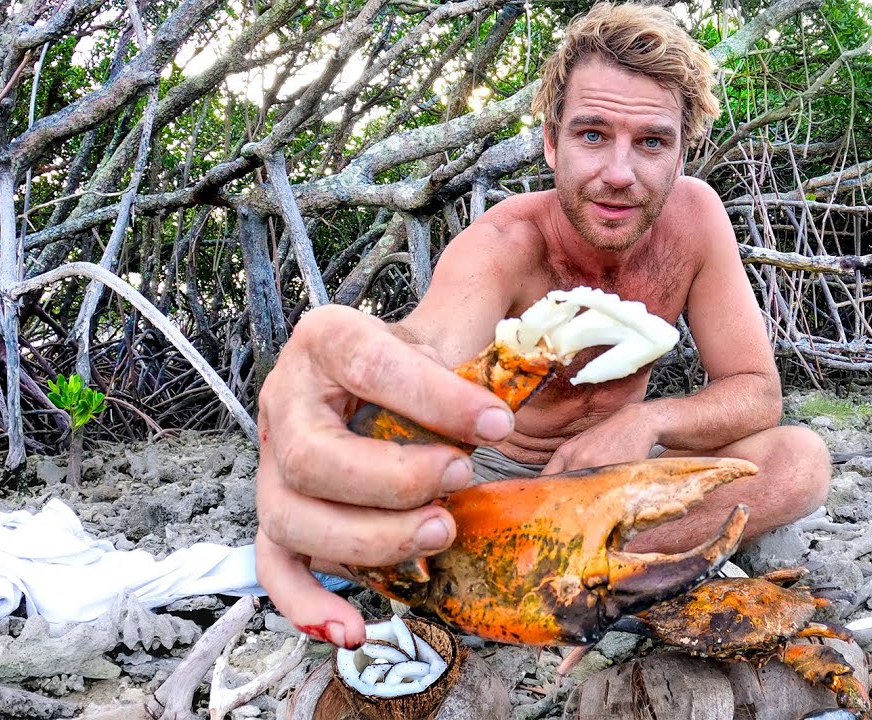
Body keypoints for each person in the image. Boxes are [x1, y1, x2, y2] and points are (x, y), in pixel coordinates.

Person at [254, 3, 832, 649]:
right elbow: (424, 343)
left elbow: (756, 389)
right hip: (499, 482)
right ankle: (591, 577)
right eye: (592, 134)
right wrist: (337, 371)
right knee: (364, 513)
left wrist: (645, 421)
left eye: (651, 142)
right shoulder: (505, 241)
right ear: (552, 142)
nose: (619, 172)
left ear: (680, 154)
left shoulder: (698, 221)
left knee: (797, 461)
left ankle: (531, 580)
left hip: (624, 476)